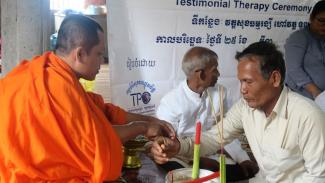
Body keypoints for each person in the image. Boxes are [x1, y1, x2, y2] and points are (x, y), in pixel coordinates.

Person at [0, 15, 175, 182]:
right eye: (99, 54)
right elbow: (99, 143)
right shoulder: (60, 88)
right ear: (80, 54)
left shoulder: (44, 69)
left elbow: (101, 110)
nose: (102, 60)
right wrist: (141, 127)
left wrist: (150, 120)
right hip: (30, 177)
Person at [151, 41, 325, 182]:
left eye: (248, 82)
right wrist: (179, 147)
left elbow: (320, 176)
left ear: (274, 78)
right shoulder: (245, 108)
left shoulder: (308, 116)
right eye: (240, 82)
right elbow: (214, 137)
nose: (242, 90)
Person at [155, 46, 258, 181]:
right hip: (181, 158)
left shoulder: (220, 93)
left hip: (212, 154)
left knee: (247, 171)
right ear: (201, 74)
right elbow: (167, 145)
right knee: (176, 173)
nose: (219, 74)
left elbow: (225, 131)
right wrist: (197, 159)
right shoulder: (171, 102)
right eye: (215, 69)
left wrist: (242, 158)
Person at [284, 0, 325, 101]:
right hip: (303, 98)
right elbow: (294, 69)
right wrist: (316, 93)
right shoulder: (299, 38)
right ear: (311, 18)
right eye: (321, 20)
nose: (324, 25)